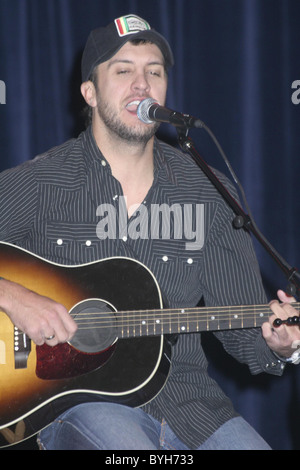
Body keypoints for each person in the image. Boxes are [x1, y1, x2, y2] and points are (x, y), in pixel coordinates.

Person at [0, 13, 299, 451]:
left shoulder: (208, 190)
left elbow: (244, 331)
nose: (142, 84)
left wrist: (280, 342)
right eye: (123, 70)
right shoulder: (41, 182)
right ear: (90, 91)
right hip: (77, 405)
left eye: (154, 72)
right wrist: (15, 297)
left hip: (193, 407)